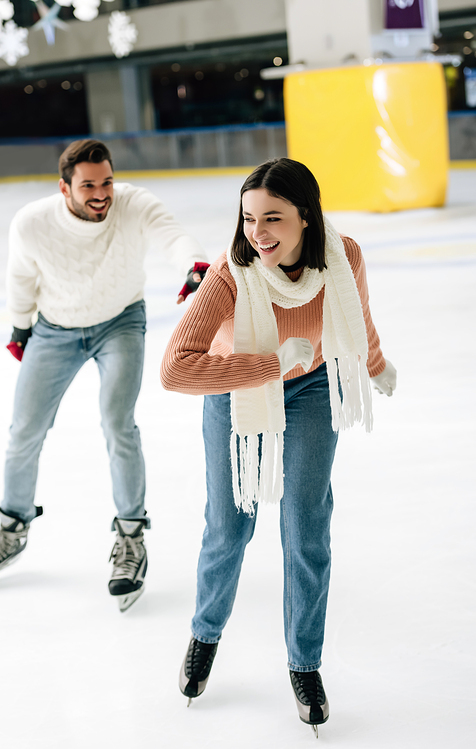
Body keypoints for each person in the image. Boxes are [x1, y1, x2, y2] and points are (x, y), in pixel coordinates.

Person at [160, 158, 396, 731]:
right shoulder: (230, 274)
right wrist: (266, 364)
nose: (257, 234)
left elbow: (354, 316)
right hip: (235, 389)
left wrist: (376, 364)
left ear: (307, 218)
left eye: (273, 218)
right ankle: (205, 634)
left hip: (314, 387)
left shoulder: (345, 256)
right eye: (248, 219)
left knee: (306, 527)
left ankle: (304, 662)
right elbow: (174, 370)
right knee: (229, 525)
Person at [0, 139, 209, 612]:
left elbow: (170, 232)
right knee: (24, 430)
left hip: (120, 322)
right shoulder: (33, 223)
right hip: (54, 329)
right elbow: (20, 276)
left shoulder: (131, 203)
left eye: (106, 181)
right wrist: (22, 327)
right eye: (88, 186)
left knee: (117, 423)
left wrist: (194, 266)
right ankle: (12, 529)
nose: (101, 193)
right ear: (65, 188)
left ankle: (130, 539)